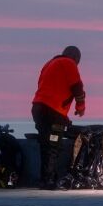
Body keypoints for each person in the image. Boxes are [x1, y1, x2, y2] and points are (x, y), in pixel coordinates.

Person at [31, 46, 87, 190]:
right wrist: (80, 107)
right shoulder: (69, 63)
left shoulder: (49, 64)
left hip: (38, 109)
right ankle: (49, 181)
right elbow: (77, 86)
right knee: (53, 146)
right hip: (53, 112)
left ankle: (44, 179)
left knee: (45, 144)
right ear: (75, 57)